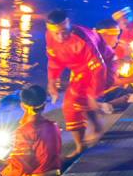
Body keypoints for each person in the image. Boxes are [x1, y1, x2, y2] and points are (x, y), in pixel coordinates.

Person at [45, 9, 108, 156]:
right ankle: (97, 128)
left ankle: (81, 147)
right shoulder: (49, 36)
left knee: (70, 103)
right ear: (50, 31)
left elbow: (99, 67)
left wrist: (94, 94)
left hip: (100, 67)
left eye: (64, 32)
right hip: (81, 70)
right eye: (56, 34)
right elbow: (54, 59)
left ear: (69, 27)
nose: (60, 37)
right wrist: (51, 82)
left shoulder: (83, 40)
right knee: (79, 99)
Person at [0, 85, 62, 176]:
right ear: (44, 106)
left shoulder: (24, 131)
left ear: (22, 105)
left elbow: (19, 165)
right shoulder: (53, 125)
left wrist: (0, 175)